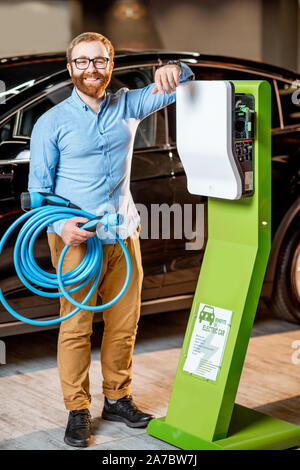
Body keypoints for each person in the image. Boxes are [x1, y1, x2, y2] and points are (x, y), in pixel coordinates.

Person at [28, 32, 195, 448]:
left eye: (99, 61)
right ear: (70, 68)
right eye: (82, 62)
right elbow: (38, 194)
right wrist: (60, 226)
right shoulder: (52, 123)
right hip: (76, 240)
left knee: (124, 322)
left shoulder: (129, 104)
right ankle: (77, 409)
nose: (91, 69)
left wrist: (177, 68)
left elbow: (184, 82)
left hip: (122, 231)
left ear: (111, 65)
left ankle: (117, 399)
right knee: (76, 326)